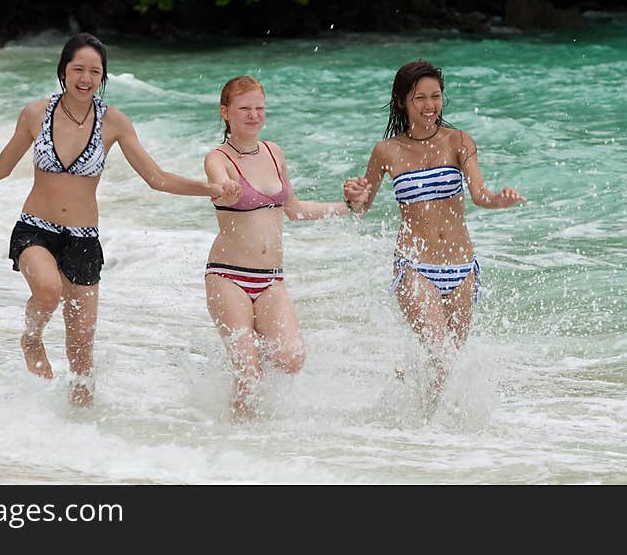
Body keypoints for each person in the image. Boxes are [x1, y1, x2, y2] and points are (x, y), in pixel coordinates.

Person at [0, 33, 240, 407]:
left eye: (94, 71)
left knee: (82, 354)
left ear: (103, 77)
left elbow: (156, 177)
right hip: (36, 229)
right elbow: (0, 167)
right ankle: (31, 337)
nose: (86, 77)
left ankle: (79, 431)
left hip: (83, 240)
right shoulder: (36, 114)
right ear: (63, 70)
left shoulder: (113, 122)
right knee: (47, 290)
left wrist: (208, 187)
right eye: (78, 68)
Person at [343, 60, 524, 411]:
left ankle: (422, 422)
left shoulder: (459, 141)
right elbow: (361, 207)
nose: (430, 106)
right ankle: (425, 424)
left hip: (461, 269)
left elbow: (479, 195)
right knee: (440, 351)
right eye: (420, 98)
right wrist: (353, 197)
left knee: (449, 361)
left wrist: (498, 202)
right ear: (402, 102)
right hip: (415, 266)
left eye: (436, 96)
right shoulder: (387, 151)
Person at [204, 76, 369, 419]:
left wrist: (347, 208)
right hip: (228, 276)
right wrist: (225, 189)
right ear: (225, 113)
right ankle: (237, 442)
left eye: (259, 108)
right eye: (244, 108)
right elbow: (218, 181)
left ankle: (252, 413)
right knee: (249, 373)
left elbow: (294, 209)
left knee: (291, 358)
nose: (253, 115)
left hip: (270, 279)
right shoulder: (217, 157)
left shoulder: (274, 152)